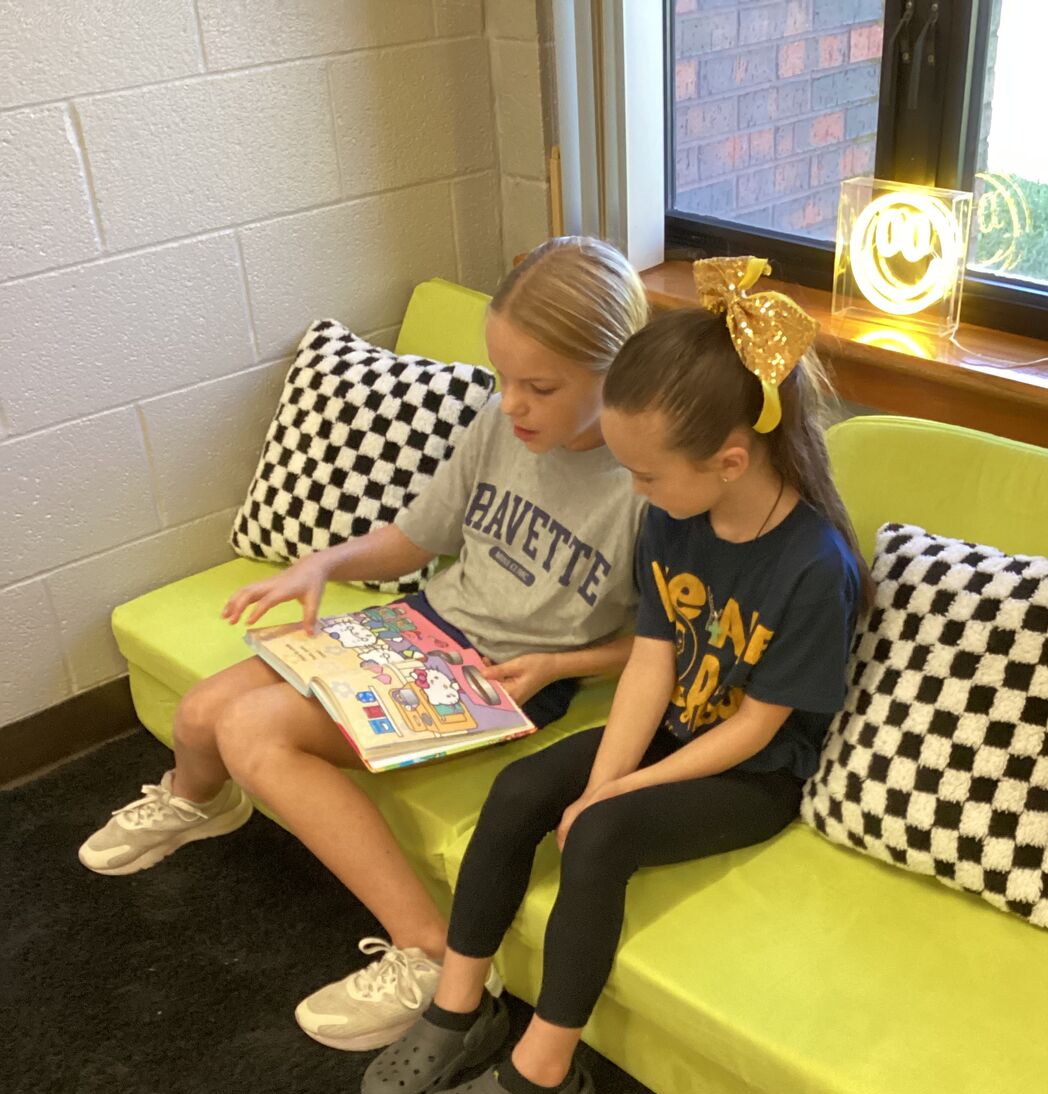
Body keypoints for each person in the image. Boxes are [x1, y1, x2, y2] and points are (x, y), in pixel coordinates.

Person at [360, 255, 873, 1094]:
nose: (634, 495)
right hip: (679, 728)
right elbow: (653, 658)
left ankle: (546, 1072)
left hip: (753, 774)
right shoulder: (679, 513)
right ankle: (460, 1005)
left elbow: (756, 727)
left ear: (729, 459)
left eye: (645, 477)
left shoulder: (812, 565)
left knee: (599, 838)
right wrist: (603, 775)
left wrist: (610, 803)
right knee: (523, 790)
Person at [78, 238, 649, 1052]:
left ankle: (432, 951)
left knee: (251, 730)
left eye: (542, 387)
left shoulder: (649, 483)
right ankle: (199, 802)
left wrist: (562, 664)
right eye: (503, 379)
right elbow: (416, 541)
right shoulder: (499, 426)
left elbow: (668, 642)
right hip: (425, 627)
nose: (513, 404)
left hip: (504, 676)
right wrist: (325, 562)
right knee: (203, 714)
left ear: (618, 372)